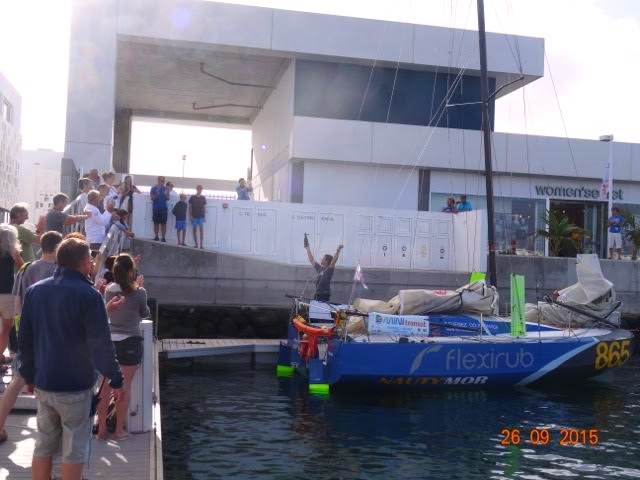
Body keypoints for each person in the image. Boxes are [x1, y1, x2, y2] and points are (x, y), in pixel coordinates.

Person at [18, 237, 124, 480]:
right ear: (85, 262)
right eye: (91, 259)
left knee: (43, 444)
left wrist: (28, 374)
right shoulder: (90, 296)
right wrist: (117, 379)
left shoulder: (35, 291)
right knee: (74, 449)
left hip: (44, 381)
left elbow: (25, 339)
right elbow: (101, 345)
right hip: (76, 385)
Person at [0, 231, 63, 445]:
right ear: (57, 248)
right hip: (52, 335)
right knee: (52, 384)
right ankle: (50, 437)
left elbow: (18, 303)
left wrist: (20, 329)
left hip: (28, 332)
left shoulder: (26, 268)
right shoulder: (61, 271)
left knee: (17, 380)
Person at [97, 254, 149, 440]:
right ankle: (119, 430)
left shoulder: (109, 290)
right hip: (130, 341)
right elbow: (144, 313)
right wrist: (141, 288)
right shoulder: (139, 293)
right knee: (124, 388)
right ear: (131, 272)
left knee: (104, 388)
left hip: (109, 341)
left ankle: (101, 429)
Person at [0, 225, 23, 366]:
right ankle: (0, 356)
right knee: (7, 328)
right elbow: (23, 267)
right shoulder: (11, 252)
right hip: (8, 293)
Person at [304, 237, 343, 302]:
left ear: (326, 261)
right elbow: (312, 260)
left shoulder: (329, 270)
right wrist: (307, 248)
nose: (321, 259)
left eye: (323, 258)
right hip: (318, 293)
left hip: (324, 294)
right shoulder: (319, 268)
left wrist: (338, 250)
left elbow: (334, 261)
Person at [150, 176, 171, 242]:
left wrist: (165, 195)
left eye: (163, 181)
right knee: (156, 223)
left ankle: (163, 237)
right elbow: (152, 198)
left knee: (163, 224)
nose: (163, 182)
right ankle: (156, 236)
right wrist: (157, 194)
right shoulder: (153, 188)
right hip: (156, 208)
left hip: (164, 209)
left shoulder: (166, 189)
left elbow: (168, 198)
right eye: (162, 181)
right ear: (158, 180)